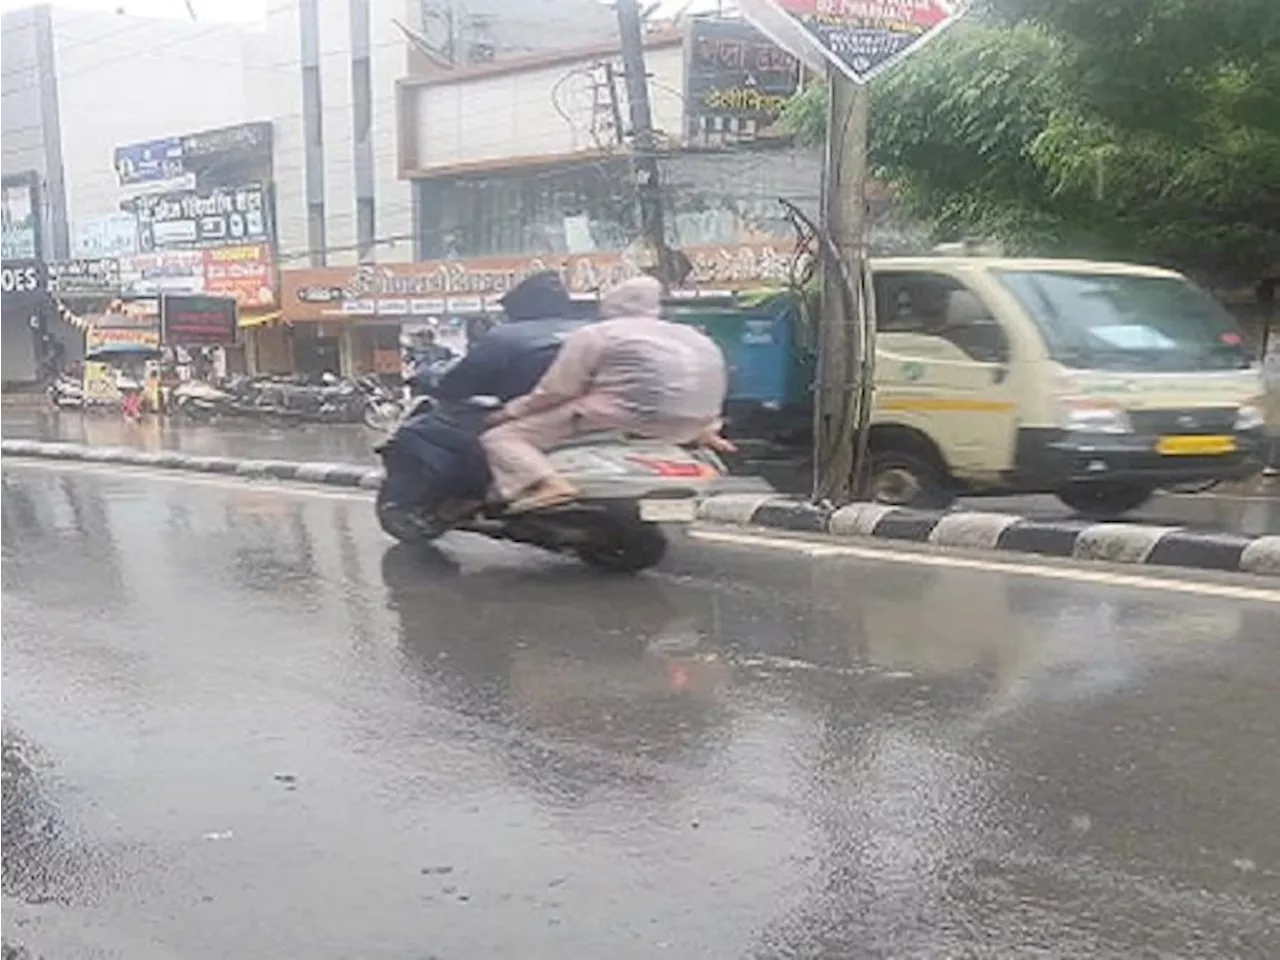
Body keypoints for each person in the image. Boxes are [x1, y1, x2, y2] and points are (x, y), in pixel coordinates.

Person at [482, 276, 731, 513]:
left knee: (500, 439)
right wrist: (708, 427)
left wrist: (509, 412)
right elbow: (711, 379)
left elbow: (558, 390)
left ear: (608, 304)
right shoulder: (693, 336)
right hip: (691, 427)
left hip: (616, 419)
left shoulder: (597, 334)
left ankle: (550, 484)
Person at [378, 271, 589, 515]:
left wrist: (431, 382)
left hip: (529, 414)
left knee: (431, 430)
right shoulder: (589, 329)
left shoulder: (506, 336)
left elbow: (459, 383)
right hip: (588, 414)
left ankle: (468, 498)